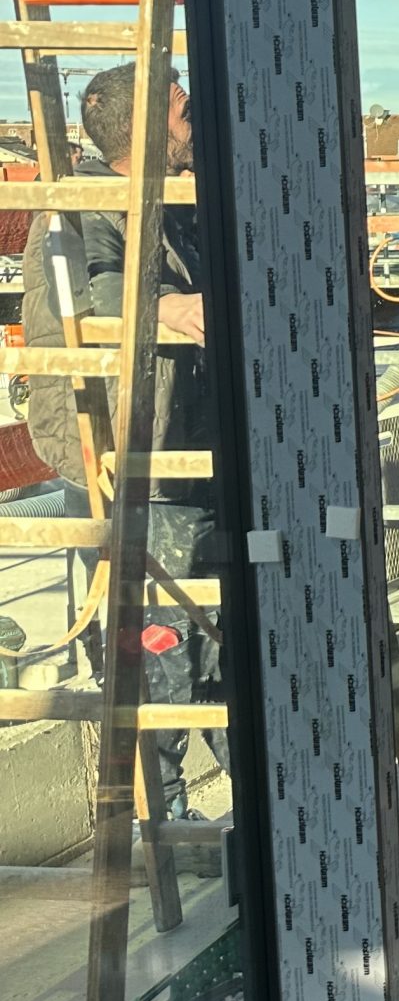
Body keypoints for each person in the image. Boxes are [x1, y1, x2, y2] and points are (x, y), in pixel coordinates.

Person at [18, 65, 223, 811]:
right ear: (143, 127)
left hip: (184, 450)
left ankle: (258, 802)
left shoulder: (172, 201)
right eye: (181, 107)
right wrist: (171, 308)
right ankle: (160, 822)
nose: (193, 117)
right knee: (158, 645)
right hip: (133, 459)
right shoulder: (80, 207)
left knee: (216, 637)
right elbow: (93, 295)